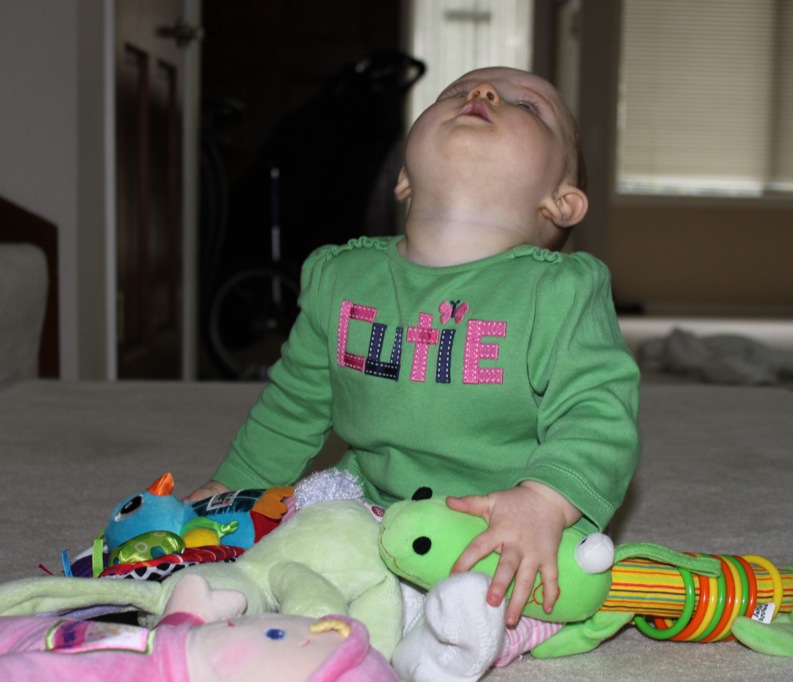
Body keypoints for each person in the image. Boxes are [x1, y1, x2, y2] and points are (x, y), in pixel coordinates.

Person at [187, 66, 640, 628]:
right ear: (404, 177)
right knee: (293, 556)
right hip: (369, 510)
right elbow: (293, 405)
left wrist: (545, 501)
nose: (483, 94)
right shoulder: (340, 277)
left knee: (543, 594)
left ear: (561, 203)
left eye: (527, 106)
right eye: (457, 92)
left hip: (499, 520)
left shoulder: (560, 292)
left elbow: (598, 412)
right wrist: (232, 486)